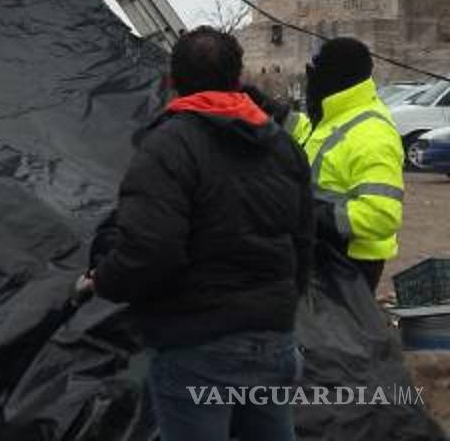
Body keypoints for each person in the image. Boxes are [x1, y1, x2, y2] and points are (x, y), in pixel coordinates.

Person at [80, 27, 313, 441]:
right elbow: (303, 242)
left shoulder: (169, 146)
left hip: (197, 344)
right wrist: (280, 307)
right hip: (273, 338)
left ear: (171, 80)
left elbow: (150, 250)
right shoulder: (282, 146)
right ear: (237, 77)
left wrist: (102, 280)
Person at [275, 38, 404, 294]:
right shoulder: (339, 113)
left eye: (315, 76)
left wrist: (309, 213)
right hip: (324, 256)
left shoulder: (373, 134)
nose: (310, 83)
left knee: (330, 334)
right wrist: (274, 115)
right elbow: (314, 139)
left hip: (349, 266)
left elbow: (380, 216)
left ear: (333, 78)